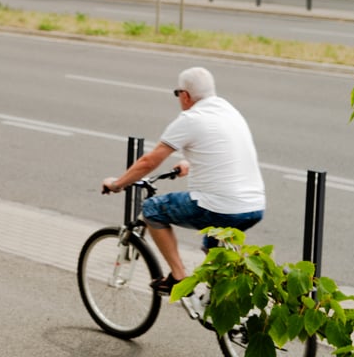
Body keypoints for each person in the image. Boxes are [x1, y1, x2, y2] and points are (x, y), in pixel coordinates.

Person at [102, 67, 265, 295]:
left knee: (152, 209)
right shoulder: (229, 110)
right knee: (214, 248)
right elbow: (224, 151)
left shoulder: (190, 118)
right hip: (254, 206)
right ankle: (225, 310)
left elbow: (149, 161)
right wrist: (191, 162)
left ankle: (178, 276)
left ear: (185, 95)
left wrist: (118, 184)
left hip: (220, 206)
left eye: (178, 94)